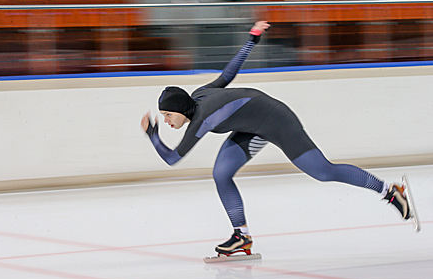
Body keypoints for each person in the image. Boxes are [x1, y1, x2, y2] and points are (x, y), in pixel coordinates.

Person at [141, 21, 411, 256]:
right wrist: (252, 40)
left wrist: (153, 135)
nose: (166, 120)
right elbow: (227, 75)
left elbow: (172, 158)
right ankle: (241, 236)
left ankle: (390, 191)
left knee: (323, 172)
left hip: (277, 120)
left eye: (167, 115)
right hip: (251, 126)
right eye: (163, 117)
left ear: (180, 109)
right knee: (221, 174)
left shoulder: (202, 119)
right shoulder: (197, 95)